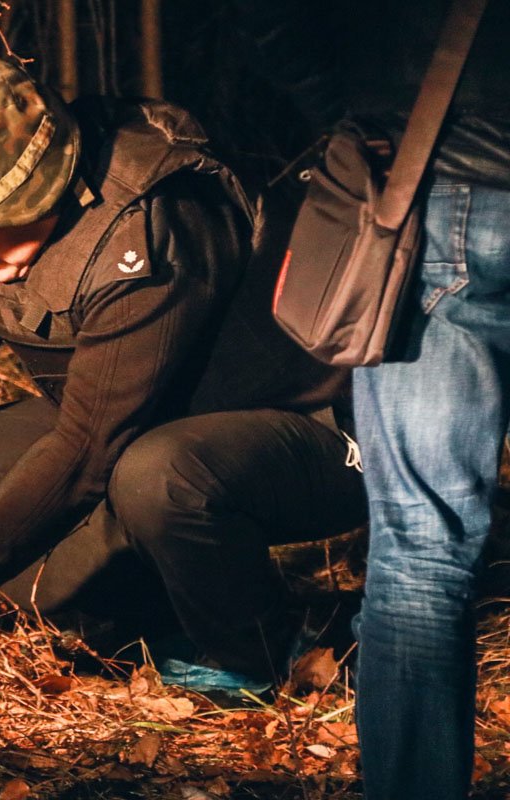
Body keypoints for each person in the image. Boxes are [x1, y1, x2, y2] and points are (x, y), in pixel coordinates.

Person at [0, 55, 367, 688]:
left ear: (43, 187)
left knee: (158, 474)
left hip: (319, 432)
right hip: (176, 421)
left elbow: (87, 449)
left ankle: (267, 653)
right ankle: (152, 618)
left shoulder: (150, 226)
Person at [228, 1, 510, 796]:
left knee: (424, 545)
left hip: (443, 180)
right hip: (440, 167)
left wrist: (373, 118)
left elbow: (271, 21)